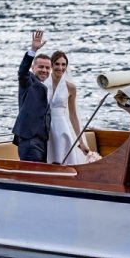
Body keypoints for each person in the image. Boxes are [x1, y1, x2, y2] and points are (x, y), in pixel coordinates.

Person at [12, 31, 52, 162]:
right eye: (41, 67)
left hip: (42, 142)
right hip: (30, 142)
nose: (44, 70)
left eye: (47, 68)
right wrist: (33, 50)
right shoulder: (28, 81)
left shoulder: (45, 87)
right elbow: (22, 71)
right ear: (33, 68)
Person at [44, 50, 89, 165]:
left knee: (63, 160)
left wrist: (81, 142)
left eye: (63, 64)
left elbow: (73, 115)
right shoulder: (42, 83)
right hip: (44, 127)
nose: (60, 67)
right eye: (57, 64)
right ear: (52, 65)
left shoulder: (71, 88)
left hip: (61, 128)